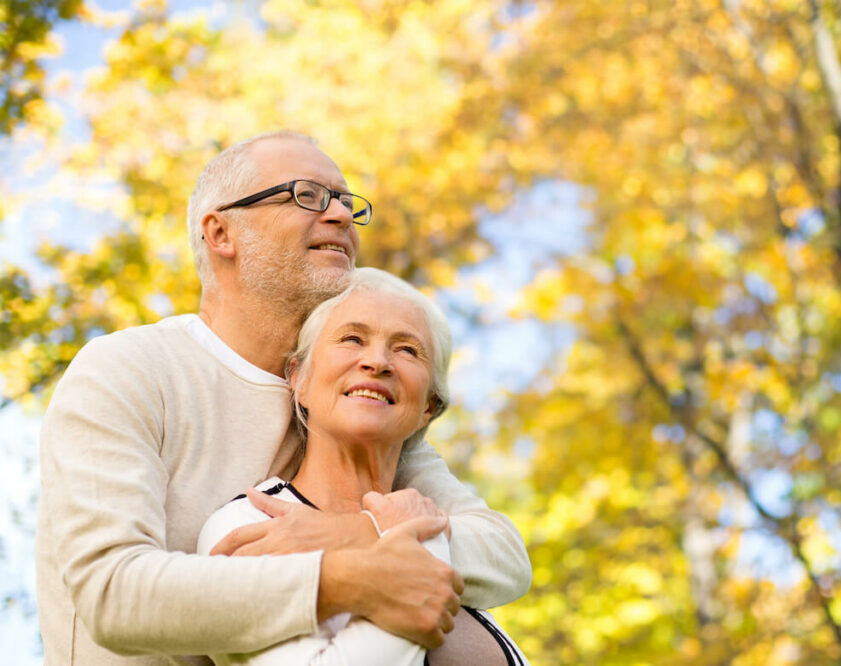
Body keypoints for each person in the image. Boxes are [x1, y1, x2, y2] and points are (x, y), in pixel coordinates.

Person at [35, 131, 531, 665]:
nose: (341, 214)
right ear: (221, 232)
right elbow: (114, 594)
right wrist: (344, 578)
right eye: (307, 195)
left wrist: (355, 533)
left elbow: (501, 555)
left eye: (344, 201)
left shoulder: (347, 404)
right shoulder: (131, 369)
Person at [196, 267, 527, 665]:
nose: (377, 361)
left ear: (428, 408)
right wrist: (415, 542)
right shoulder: (251, 524)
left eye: (407, 349)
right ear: (299, 379)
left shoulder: (429, 519)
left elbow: (511, 564)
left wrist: (383, 532)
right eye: (352, 339)